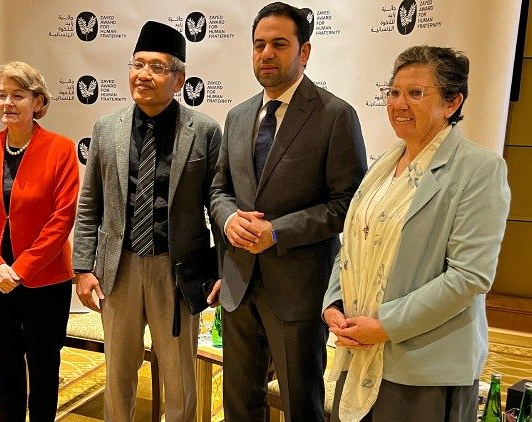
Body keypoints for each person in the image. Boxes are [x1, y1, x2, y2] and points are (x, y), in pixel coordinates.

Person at [323, 46, 511, 422]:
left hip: (421, 369)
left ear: (452, 103)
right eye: (393, 92)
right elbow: (355, 244)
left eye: (416, 93)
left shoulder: (479, 169)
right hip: (355, 348)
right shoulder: (384, 165)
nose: (399, 103)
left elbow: (470, 276)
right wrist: (335, 301)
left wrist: (386, 326)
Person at [210, 3, 367, 421]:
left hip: (300, 290)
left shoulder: (335, 116)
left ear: (305, 51)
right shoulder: (238, 115)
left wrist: (277, 231)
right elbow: (219, 190)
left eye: (279, 44)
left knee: (301, 405)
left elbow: (346, 205)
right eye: (259, 44)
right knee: (239, 405)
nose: (266, 53)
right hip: (239, 285)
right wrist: (228, 219)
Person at [73, 21, 223, 422]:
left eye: (156, 67)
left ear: (179, 79)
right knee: (118, 372)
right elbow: (90, 204)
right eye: (137, 64)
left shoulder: (204, 131)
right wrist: (83, 268)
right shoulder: (107, 128)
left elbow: (218, 203)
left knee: (179, 377)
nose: (143, 75)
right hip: (117, 269)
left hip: (176, 270)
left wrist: (223, 268)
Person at [0, 61, 79, 422]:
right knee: (6, 361)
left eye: (18, 95)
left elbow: (62, 219)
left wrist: (21, 269)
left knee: (44, 364)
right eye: (1, 95)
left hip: (45, 278)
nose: (7, 103)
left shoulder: (60, 148)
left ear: (38, 102)